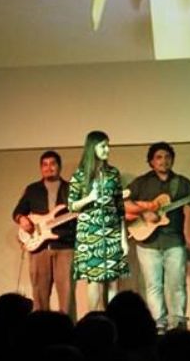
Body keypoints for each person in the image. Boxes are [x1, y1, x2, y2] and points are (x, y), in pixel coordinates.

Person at [124, 142, 190, 332]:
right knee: (153, 285)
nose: (164, 161)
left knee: (177, 284)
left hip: (174, 241)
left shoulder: (183, 183)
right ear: (151, 162)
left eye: (167, 157)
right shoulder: (141, 182)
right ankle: (159, 325)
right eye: (159, 157)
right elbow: (124, 204)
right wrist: (145, 210)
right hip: (147, 242)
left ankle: (178, 325)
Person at [68, 130, 129, 311]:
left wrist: (123, 239)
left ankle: (114, 319)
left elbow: (120, 208)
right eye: (103, 146)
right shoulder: (80, 176)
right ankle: (93, 319)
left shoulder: (113, 173)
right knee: (94, 280)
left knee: (113, 280)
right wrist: (89, 198)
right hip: (90, 234)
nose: (107, 149)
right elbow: (71, 205)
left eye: (108, 145)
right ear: (92, 148)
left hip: (112, 232)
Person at [12, 150, 74, 313]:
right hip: (38, 249)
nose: (49, 168)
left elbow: (78, 218)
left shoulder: (71, 189)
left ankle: (67, 331)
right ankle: (41, 333)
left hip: (64, 247)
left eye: (52, 164)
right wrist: (22, 219)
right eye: (45, 165)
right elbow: (18, 211)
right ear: (41, 168)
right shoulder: (32, 189)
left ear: (59, 167)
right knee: (39, 296)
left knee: (67, 297)